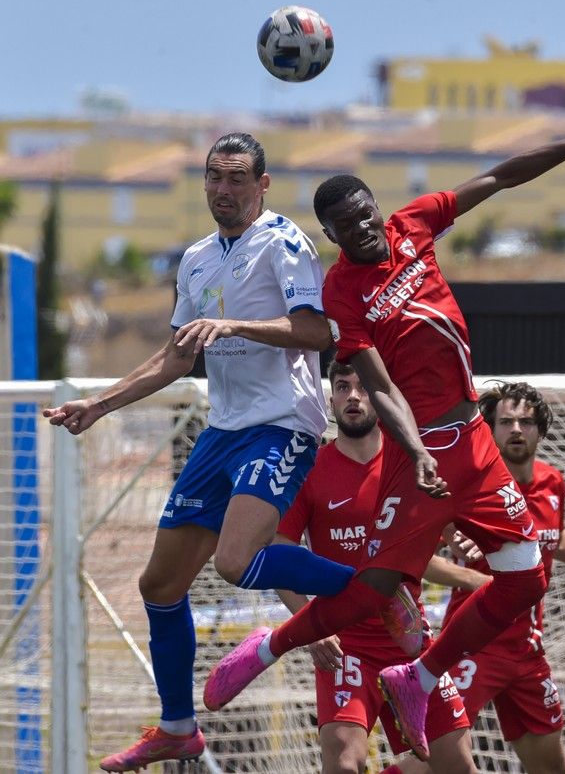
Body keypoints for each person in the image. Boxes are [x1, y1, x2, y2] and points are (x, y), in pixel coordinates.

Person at [202, 101, 565, 761]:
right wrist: (414, 450)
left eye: (365, 214)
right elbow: (379, 385)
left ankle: (422, 673)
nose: (363, 228)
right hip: (430, 451)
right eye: (345, 226)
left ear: (378, 207)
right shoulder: (342, 293)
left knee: (526, 582)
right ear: (331, 234)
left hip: (473, 439)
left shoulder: (413, 223)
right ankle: (268, 646)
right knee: (375, 589)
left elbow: (498, 178)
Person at [42, 132, 361, 771]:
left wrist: (234, 325)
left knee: (237, 560)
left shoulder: (284, 241)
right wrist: (99, 406)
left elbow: (318, 331)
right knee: (158, 584)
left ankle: (379, 587)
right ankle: (178, 728)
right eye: (214, 178)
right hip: (223, 430)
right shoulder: (194, 259)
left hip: (281, 424)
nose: (222, 189)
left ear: (262, 184)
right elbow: (175, 356)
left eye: (236, 178)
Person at [392, 381, 565, 774]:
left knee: (553, 767)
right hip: (473, 645)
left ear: (541, 429)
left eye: (526, 421)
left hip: (528, 651)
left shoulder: (553, 481)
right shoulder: (469, 488)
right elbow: (412, 557)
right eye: (506, 421)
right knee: (435, 761)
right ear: (489, 429)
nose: (517, 429)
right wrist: (474, 581)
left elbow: (549, 539)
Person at [274, 360, 484, 774]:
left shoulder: (414, 463)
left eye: (363, 387)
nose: (353, 396)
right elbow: (280, 550)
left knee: (455, 767)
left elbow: (440, 536)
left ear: (384, 398)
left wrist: (467, 543)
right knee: (344, 763)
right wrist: (307, 624)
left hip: (409, 645)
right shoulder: (309, 468)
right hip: (344, 645)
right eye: (342, 387)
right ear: (330, 398)